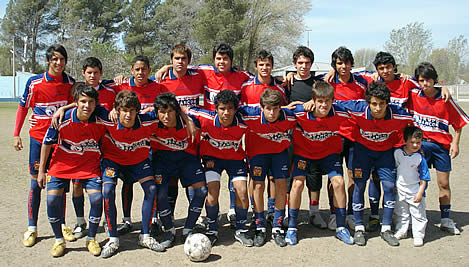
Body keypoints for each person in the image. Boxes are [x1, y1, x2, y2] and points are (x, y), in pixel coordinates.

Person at [13, 44, 75, 247]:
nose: (58, 63)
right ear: (48, 60)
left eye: (62, 59)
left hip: (60, 144)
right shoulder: (34, 83)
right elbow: (23, 108)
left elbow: (76, 103)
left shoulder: (70, 83)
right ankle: (32, 228)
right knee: (36, 184)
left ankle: (63, 224)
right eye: (55, 59)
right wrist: (16, 134)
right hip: (38, 141)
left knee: (60, 186)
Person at [339, 81, 413, 246]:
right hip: (362, 153)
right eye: (374, 104)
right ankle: (359, 227)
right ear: (368, 103)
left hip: (384, 154)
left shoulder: (399, 114)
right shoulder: (357, 108)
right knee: (359, 186)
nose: (378, 108)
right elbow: (330, 102)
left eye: (381, 104)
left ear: (388, 102)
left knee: (388, 187)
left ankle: (386, 228)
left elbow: (414, 122)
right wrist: (307, 103)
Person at [37, 84, 106, 257]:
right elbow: (46, 144)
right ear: (75, 102)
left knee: (97, 198)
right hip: (61, 164)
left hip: (89, 164)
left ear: (95, 104)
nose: (86, 105)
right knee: (52, 200)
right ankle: (59, 240)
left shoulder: (101, 117)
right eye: (82, 101)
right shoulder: (62, 118)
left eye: (91, 102)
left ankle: (91, 238)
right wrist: (41, 171)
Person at [99, 90, 164, 258]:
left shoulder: (149, 120)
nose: (128, 115)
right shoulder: (107, 118)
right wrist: (62, 109)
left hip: (138, 161)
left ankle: (145, 236)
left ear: (138, 111)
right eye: (124, 110)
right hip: (113, 161)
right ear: (117, 110)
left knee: (151, 189)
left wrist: (187, 120)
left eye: (132, 111)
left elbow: (172, 109)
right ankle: (113, 239)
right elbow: (83, 106)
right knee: (107, 191)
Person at [287, 81, 353, 246]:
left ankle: (340, 227)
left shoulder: (341, 112)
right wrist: (288, 107)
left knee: (338, 183)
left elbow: (361, 107)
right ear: (314, 100)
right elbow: (273, 111)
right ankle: (292, 227)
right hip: (304, 154)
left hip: (328, 154)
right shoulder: (300, 112)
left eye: (327, 101)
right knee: (298, 183)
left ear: (333, 101)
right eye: (320, 101)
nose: (324, 105)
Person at [407, 62, 469, 235]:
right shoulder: (413, 94)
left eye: (428, 80)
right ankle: (417, 218)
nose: (424, 84)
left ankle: (446, 218)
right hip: (421, 146)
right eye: (421, 81)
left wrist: (455, 143)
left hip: (441, 147)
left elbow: (458, 124)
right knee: (419, 183)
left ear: (434, 80)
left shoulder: (445, 98)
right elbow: (403, 81)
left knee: (443, 183)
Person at [187, 90, 253, 246]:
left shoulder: (244, 120)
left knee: (242, 191)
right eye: (222, 108)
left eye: (230, 108)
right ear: (216, 108)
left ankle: (241, 230)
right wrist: (188, 120)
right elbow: (182, 108)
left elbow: (268, 111)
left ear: (235, 109)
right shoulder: (205, 118)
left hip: (235, 160)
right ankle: (213, 229)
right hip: (212, 159)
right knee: (212, 190)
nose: (226, 112)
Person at [106, 55, 163, 234]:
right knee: (127, 182)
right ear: (131, 70)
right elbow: (97, 88)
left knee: (151, 181)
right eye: (137, 69)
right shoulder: (121, 85)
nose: (140, 73)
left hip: (148, 141)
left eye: (144, 69)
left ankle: (154, 218)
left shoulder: (157, 87)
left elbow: (166, 105)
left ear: (149, 71)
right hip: (124, 141)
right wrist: (113, 109)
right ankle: (127, 219)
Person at [237, 89, 296, 247]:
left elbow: (309, 108)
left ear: (280, 108)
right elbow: (227, 106)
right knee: (258, 185)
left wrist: (305, 104)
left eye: (275, 109)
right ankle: (260, 225)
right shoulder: (249, 112)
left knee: (282, 185)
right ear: (261, 107)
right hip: (257, 154)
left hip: (279, 153)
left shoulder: (289, 115)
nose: (272, 113)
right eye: (268, 109)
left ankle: (277, 226)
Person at [151, 92, 207, 247]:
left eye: (170, 112)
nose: (166, 116)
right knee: (160, 193)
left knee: (201, 191)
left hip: (186, 159)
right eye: (162, 112)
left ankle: (188, 228)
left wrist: (187, 117)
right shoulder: (150, 121)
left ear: (176, 111)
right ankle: (169, 229)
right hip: (162, 160)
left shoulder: (191, 122)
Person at [240, 49, 287, 228]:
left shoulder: (280, 88)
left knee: (275, 179)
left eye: (268, 64)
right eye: (261, 64)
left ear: (272, 66)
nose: (265, 68)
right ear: (256, 66)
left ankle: (272, 211)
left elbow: (286, 110)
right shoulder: (246, 87)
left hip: (275, 142)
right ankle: (256, 213)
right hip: (254, 143)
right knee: (257, 181)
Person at [70, 57, 117, 239]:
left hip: (103, 146)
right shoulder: (76, 90)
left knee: (103, 186)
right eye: (89, 72)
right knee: (76, 185)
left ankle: (106, 220)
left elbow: (119, 105)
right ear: (83, 73)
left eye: (96, 72)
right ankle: (80, 221)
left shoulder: (110, 91)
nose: (92, 75)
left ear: (101, 73)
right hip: (80, 145)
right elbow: (72, 107)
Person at [284, 46, 327, 230]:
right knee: (290, 176)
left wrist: (313, 101)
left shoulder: (318, 83)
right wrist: (289, 107)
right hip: (293, 136)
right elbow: (277, 107)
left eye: (307, 63)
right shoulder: (287, 82)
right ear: (294, 64)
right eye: (300, 63)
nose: (303, 66)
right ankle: (287, 213)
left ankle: (314, 212)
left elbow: (334, 79)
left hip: (314, 137)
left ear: (312, 64)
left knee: (314, 175)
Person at [393, 126, 430, 247]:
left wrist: (420, 192)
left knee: (418, 214)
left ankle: (418, 235)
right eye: (412, 142)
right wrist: (394, 185)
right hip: (400, 189)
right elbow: (394, 169)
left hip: (415, 190)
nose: (415, 145)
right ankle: (402, 230)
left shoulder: (420, 158)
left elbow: (424, 178)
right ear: (405, 141)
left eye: (418, 143)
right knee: (401, 212)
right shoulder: (398, 153)